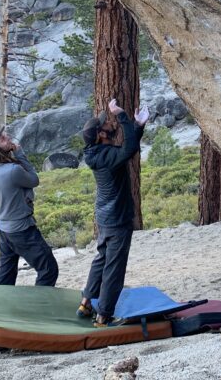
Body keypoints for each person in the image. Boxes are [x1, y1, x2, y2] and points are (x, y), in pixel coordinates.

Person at [77, 97, 150, 326]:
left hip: (105, 217)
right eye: (105, 124)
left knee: (102, 259)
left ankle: (86, 302)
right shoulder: (108, 156)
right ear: (100, 134)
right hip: (117, 218)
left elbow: (128, 148)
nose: (109, 123)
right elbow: (128, 149)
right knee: (114, 267)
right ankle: (104, 315)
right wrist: (122, 115)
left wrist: (138, 127)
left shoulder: (98, 153)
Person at [0, 129, 58, 286]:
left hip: (4, 228)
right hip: (21, 230)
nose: (7, 137)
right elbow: (34, 180)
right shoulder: (12, 170)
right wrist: (20, 153)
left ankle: (0, 304)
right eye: (2, 139)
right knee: (48, 269)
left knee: (6, 271)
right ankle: (40, 306)